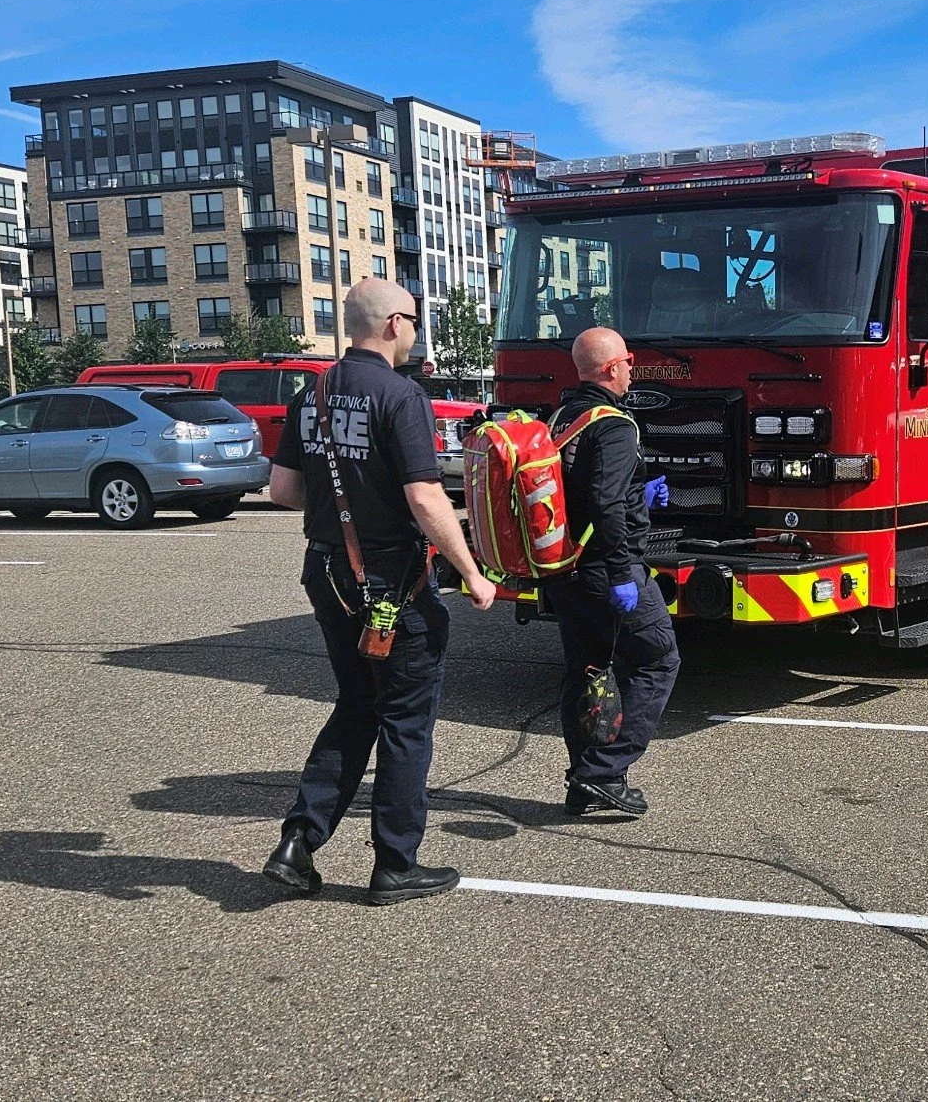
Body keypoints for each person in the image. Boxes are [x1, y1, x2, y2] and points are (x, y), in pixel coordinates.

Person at [261, 278, 497, 906]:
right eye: (415, 320)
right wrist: (473, 572)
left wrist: (348, 518)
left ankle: (298, 843)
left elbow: (282, 492)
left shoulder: (308, 392)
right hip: (391, 580)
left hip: (328, 573)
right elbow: (426, 498)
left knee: (359, 703)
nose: (418, 331)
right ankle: (396, 863)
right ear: (393, 323)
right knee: (405, 718)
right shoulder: (401, 395)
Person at [545, 327, 679, 816]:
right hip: (607, 570)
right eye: (627, 359)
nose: (631, 366)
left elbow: (578, 492)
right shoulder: (615, 425)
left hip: (564, 571)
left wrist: (639, 495)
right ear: (610, 368)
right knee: (658, 661)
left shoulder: (563, 417)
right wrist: (624, 572)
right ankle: (602, 772)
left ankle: (585, 778)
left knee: (585, 671)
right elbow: (603, 503)